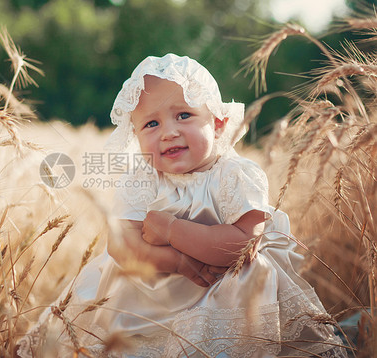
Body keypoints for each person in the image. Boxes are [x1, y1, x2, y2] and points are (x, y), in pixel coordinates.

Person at [18, 54, 347, 357]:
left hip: (226, 295)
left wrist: (171, 228)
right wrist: (176, 261)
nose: (168, 132)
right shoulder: (142, 177)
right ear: (135, 134)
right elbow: (121, 243)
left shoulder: (236, 174)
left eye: (184, 115)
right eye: (151, 124)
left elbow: (244, 243)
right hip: (146, 299)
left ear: (217, 123)